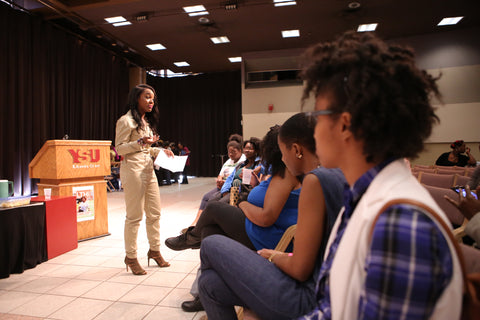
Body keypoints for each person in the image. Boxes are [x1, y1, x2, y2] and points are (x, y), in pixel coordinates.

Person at [196, 113, 346, 318]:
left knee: (210, 243)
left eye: (283, 153)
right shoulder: (339, 173)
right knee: (209, 284)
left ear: (296, 149)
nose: (282, 159)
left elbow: (301, 269)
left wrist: (274, 256)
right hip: (318, 281)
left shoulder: (314, 181)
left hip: (307, 295)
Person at [167, 123, 305, 313]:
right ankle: (204, 292)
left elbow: (266, 218)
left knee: (214, 208)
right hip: (259, 226)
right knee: (210, 229)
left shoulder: (285, 174)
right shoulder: (278, 172)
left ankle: (191, 238)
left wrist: (242, 203)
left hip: (266, 234)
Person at [115, 84, 173, 275]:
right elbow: (120, 148)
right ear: (136, 99)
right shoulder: (125, 121)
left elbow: (146, 149)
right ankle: (131, 256)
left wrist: (159, 150)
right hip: (132, 170)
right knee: (134, 216)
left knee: (154, 213)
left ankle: (154, 250)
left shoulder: (144, 122)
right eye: (147, 97)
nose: (151, 101)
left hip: (148, 170)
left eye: (153, 98)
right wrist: (140, 142)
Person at [187, 135, 245, 227]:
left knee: (212, 200)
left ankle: (204, 225)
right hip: (222, 186)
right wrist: (219, 180)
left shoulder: (243, 161)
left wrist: (224, 183)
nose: (230, 155)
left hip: (231, 189)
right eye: (229, 152)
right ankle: (196, 222)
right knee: (206, 197)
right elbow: (220, 174)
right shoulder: (228, 161)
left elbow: (237, 177)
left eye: (233, 152)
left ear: (240, 151)